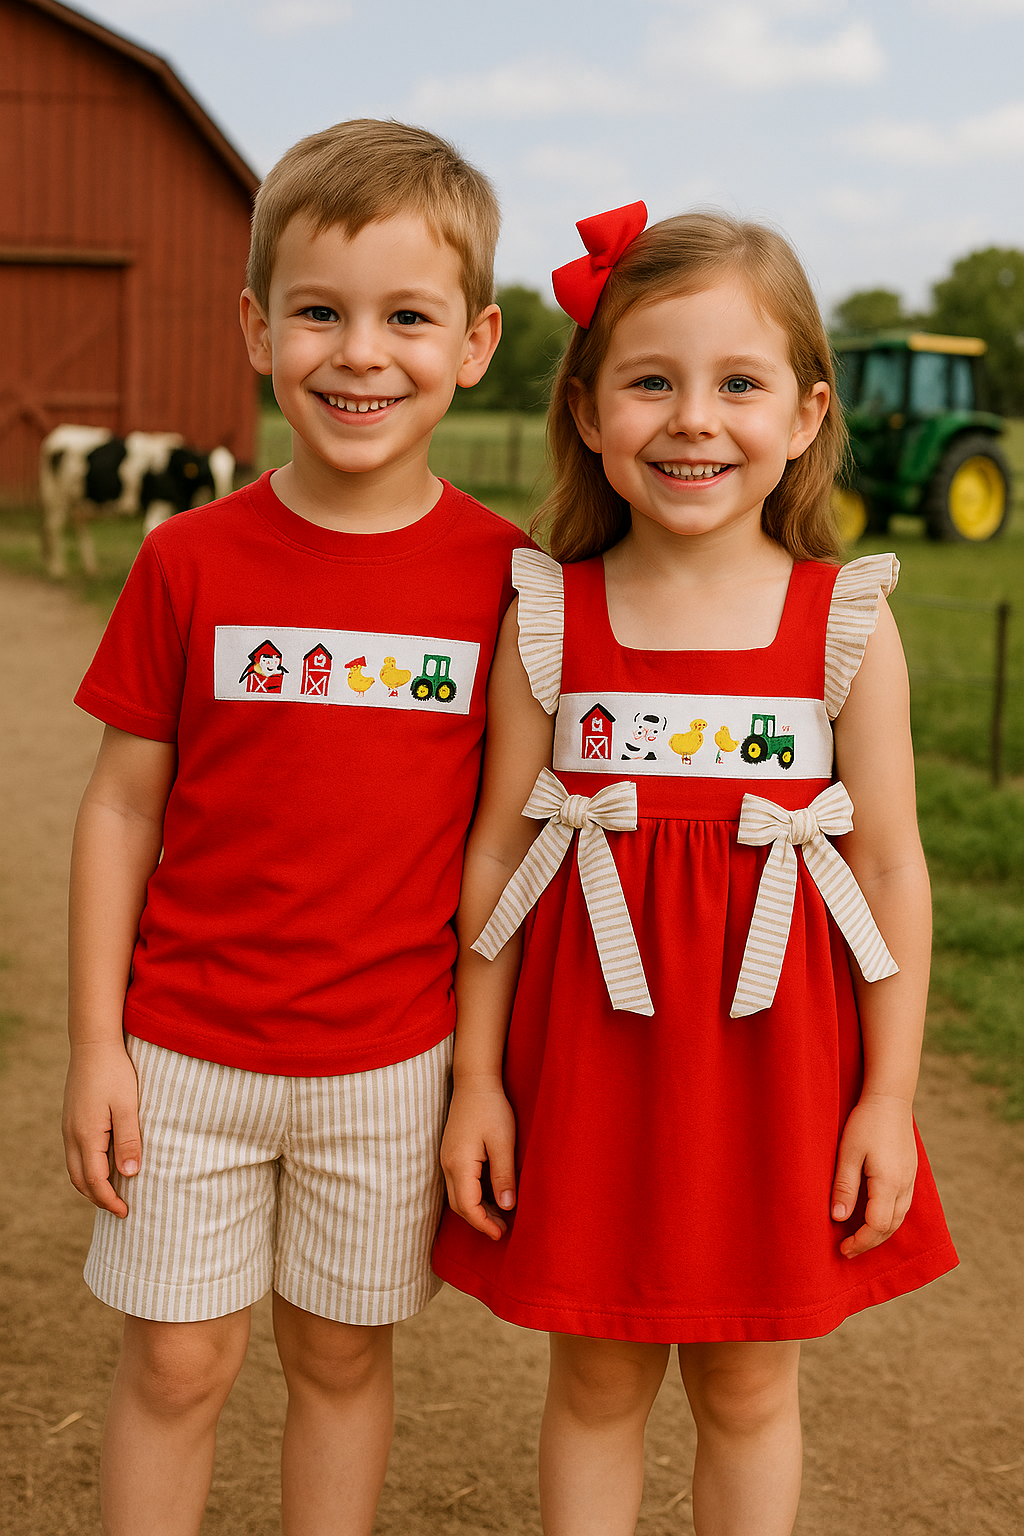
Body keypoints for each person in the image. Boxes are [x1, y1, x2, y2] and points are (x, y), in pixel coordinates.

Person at [432, 203, 958, 1536]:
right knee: (597, 1381)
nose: (693, 421)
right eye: (652, 382)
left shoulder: (843, 624)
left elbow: (891, 867)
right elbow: (500, 850)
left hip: (778, 1074)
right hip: (591, 1070)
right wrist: (479, 1078)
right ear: (588, 408)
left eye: (738, 384)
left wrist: (887, 1096)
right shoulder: (549, 616)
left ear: (806, 413)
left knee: (749, 1389)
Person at [61, 119, 527, 1536]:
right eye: (319, 312)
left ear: (476, 343)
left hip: (389, 1062)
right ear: (260, 331)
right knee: (177, 1365)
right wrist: (96, 1046)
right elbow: (120, 806)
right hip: (185, 1048)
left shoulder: (511, 581)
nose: (360, 353)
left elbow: (506, 846)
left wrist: (482, 1073)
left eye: (407, 317)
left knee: (337, 1359)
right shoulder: (186, 557)